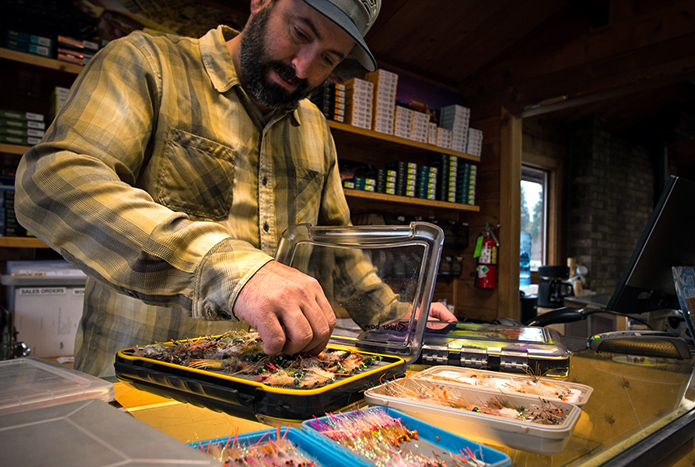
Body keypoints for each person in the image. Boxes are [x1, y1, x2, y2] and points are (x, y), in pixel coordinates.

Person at [15, 0, 455, 377]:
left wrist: (396, 316)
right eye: (300, 32)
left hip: (265, 390)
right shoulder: (146, 63)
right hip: (132, 390)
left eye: (328, 59)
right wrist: (232, 270)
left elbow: (340, 254)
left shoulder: (315, 128)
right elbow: (54, 180)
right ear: (261, 2)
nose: (303, 67)